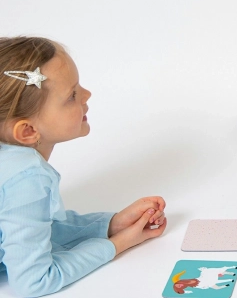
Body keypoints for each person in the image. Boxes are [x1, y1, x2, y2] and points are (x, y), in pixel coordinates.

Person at [0, 37, 167, 297]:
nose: (87, 95)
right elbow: (34, 282)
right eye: (72, 95)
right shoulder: (26, 178)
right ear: (28, 130)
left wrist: (110, 224)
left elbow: (25, 230)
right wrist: (116, 244)